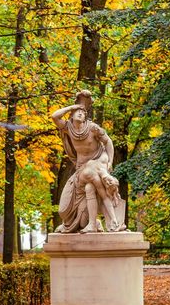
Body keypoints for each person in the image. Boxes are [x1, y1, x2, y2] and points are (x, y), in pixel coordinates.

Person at [51, 91, 126, 233]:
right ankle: (81, 222)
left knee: (93, 189)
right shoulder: (68, 128)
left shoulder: (92, 128)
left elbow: (108, 141)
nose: (80, 114)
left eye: (83, 113)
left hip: (96, 164)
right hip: (81, 169)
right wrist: (71, 107)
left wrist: (109, 161)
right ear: (72, 114)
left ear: (86, 117)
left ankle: (96, 223)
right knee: (64, 208)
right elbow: (55, 116)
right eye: (77, 112)